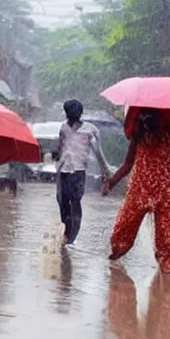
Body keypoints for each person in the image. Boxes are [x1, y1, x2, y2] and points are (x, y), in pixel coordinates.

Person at [103, 109, 170, 274]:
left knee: (168, 241)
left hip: (166, 191)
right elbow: (127, 164)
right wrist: (111, 183)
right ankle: (115, 273)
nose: (146, 124)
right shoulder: (138, 137)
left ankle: (166, 285)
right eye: (143, 120)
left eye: (150, 120)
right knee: (122, 230)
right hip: (140, 189)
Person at [57, 99, 110, 245]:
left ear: (80, 114)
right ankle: (67, 230)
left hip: (78, 171)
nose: (71, 117)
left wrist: (106, 172)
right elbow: (60, 145)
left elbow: (98, 152)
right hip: (63, 170)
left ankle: (71, 237)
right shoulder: (63, 127)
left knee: (75, 202)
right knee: (62, 201)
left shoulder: (90, 130)